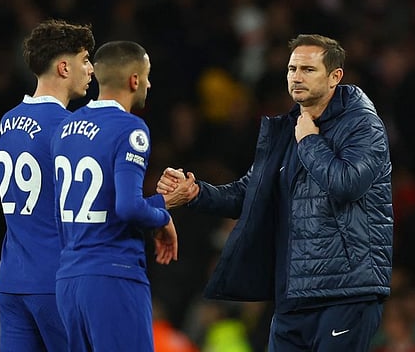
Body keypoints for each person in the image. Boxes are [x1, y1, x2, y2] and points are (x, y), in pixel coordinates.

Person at [157, 34, 394, 352]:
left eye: (308, 69)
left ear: (335, 76)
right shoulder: (290, 128)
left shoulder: (362, 125)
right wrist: (197, 192)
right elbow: (248, 194)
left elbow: (348, 184)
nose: (296, 77)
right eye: (292, 68)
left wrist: (310, 142)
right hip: (292, 293)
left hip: (345, 291)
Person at [51, 40, 178, 352]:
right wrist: (164, 211)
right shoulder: (129, 129)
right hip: (112, 276)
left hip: (68, 280)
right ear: (134, 79)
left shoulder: (64, 128)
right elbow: (129, 207)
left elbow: (58, 213)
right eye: (147, 75)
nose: (149, 83)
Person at [0, 19, 94, 351]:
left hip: (11, 282)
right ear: (64, 67)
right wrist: (162, 206)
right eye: (84, 59)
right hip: (56, 282)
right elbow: (96, 207)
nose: (91, 69)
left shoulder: (6, 122)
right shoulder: (70, 129)